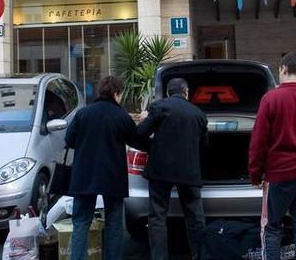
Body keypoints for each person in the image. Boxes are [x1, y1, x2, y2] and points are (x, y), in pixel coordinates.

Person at [248, 52, 296, 260]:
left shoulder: (270, 99)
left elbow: (259, 141)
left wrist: (255, 173)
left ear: (282, 69)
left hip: (279, 175)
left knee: (272, 227)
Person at [65, 76, 147, 260]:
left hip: (84, 175)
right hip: (113, 176)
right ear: (117, 93)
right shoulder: (121, 116)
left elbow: (69, 141)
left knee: (81, 223)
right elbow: (137, 141)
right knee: (114, 223)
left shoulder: (83, 113)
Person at [136, 77, 208, 260]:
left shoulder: (159, 107)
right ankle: (200, 255)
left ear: (168, 93)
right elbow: (204, 147)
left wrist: (154, 148)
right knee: (195, 217)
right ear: (186, 92)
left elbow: (139, 134)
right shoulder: (198, 114)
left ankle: (159, 257)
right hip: (189, 172)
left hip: (161, 171)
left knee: (157, 217)